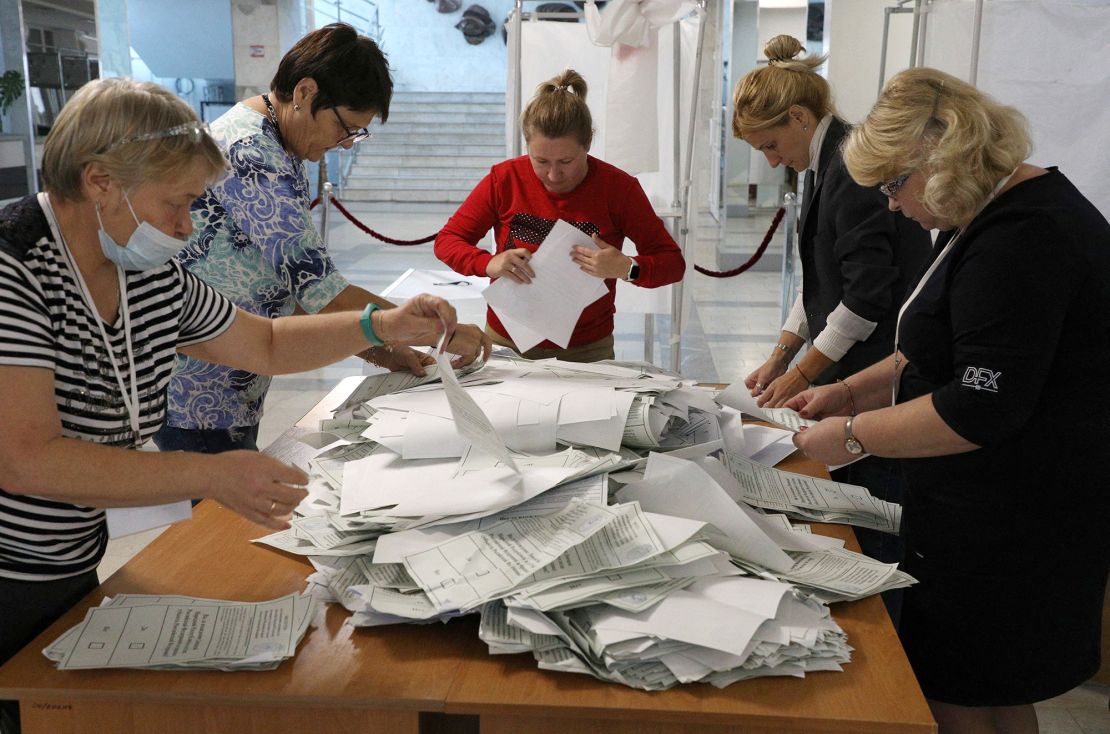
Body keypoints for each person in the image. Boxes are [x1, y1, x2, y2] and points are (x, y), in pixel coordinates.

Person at [0, 77, 459, 731]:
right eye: (176, 204)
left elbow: (264, 342)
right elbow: (26, 461)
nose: (187, 228)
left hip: (67, 560)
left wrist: (378, 327)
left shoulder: (144, 268)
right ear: (101, 181)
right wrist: (210, 473)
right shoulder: (14, 268)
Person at [790, 67, 1110, 733]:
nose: (892, 206)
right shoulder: (984, 215)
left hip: (1015, 516)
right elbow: (932, 352)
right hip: (984, 506)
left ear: (940, 157)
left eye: (893, 186)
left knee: (961, 693)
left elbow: (976, 405)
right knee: (982, 688)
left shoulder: (1027, 236)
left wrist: (852, 435)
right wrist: (848, 389)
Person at [158, 23, 491, 454]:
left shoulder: (280, 142)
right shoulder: (251, 155)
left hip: (233, 378)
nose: (348, 144)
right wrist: (440, 331)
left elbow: (286, 283)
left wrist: (379, 349)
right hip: (200, 391)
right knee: (218, 517)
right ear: (305, 92)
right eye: (346, 127)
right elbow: (323, 291)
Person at [729, 35, 931, 578]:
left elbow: (864, 298)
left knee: (873, 519)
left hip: (880, 372)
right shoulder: (825, 165)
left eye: (771, 145)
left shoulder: (852, 168)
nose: (773, 161)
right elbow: (820, 280)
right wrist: (781, 355)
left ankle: (883, 616)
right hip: (858, 367)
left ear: (799, 116)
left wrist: (802, 373)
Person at [434, 68, 685, 363]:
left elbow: (672, 263)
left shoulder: (618, 188)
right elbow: (448, 241)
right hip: (507, 341)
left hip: (587, 348)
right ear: (526, 145)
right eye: (540, 161)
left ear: (588, 142)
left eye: (567, 161)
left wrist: (628, 267)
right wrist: (488, 262)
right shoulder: (505, 179)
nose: (553, 175)